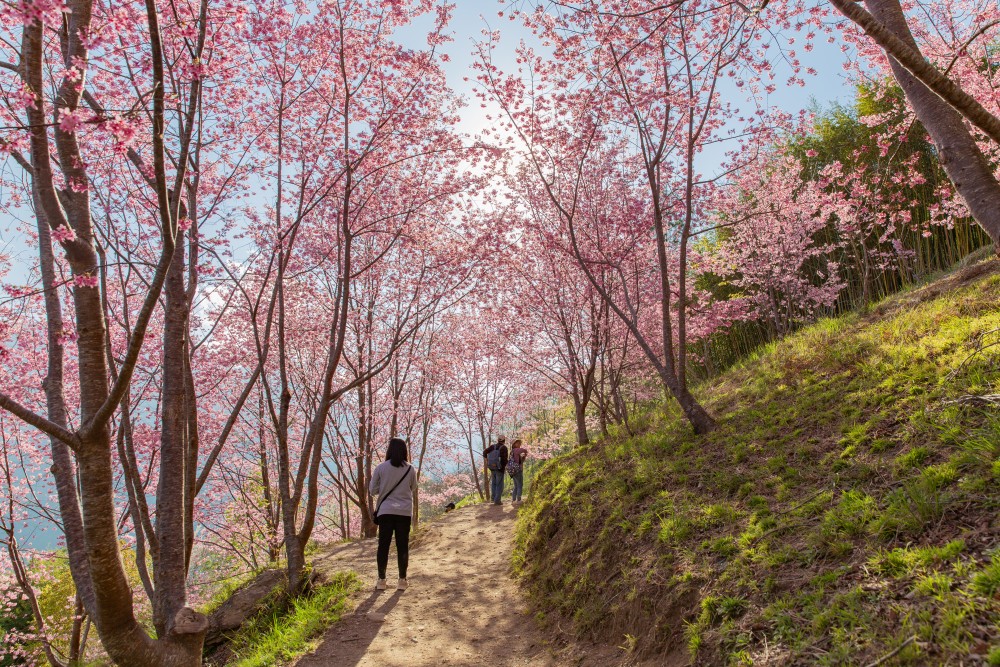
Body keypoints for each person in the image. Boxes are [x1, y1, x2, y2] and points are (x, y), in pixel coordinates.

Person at [369, 437, 417, 591]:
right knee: (402, 546)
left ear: (389, 450)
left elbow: (372, 490)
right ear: (404, 451)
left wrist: (383, 488)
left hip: (386, 512)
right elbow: (413, 487)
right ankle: (402, 580)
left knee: (383, 545)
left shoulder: (380, 468)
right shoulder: (410, 469)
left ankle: (381, 580)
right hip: (403, 512)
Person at [482, 436, 508, 505]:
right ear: (504, 441)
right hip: (499, 468)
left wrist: (487, 460)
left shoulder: (492, 446)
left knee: (494, 483)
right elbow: (504, 460)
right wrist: (504, 466)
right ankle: (497, 501)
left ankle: (493, 498)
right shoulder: (504, 448)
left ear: (498, 440)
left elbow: (484, 452)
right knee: (500, 485)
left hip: (491, 467)